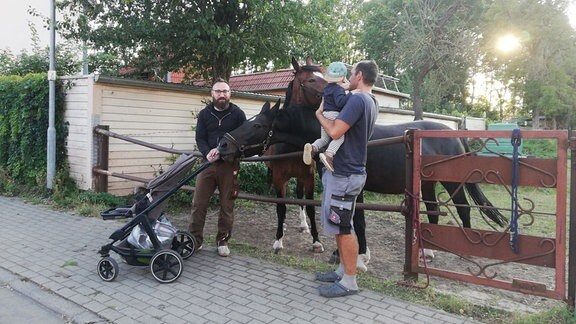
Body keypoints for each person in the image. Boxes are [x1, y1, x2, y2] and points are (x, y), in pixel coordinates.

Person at [313, 60, 379, 298]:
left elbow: (334, 131)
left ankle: (349, 281)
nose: (349, 77)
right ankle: (342, 270)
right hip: (345, 171)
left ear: (359, 76)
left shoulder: (357, 99)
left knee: (343, 226)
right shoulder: (372, 101)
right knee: (340, 225)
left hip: (345, 173)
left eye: (351, 73)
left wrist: (319, 114)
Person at [188, 79, 246, 257]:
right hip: (207, 165)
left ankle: (222, 241)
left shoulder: (238, 114)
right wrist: (207, 153)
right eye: (218, 91)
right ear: (212, 94)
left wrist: (222, 152)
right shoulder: (205, 114)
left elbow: (243, 141)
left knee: (226, 205)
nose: (222, 94)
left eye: (225, 91)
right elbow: (200, 138)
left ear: (230, 93)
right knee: (198, 204)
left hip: (229, 166)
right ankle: (195, 240)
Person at [302, 61, 352, 173]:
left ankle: (313, 147)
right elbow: (340, 102)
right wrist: (350, 95)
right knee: (339, 138)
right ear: (342, 77)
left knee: (324, 139)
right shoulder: (339, 89)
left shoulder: (327, 88)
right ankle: (329, 154)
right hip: (334, 115)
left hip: (325, 114)